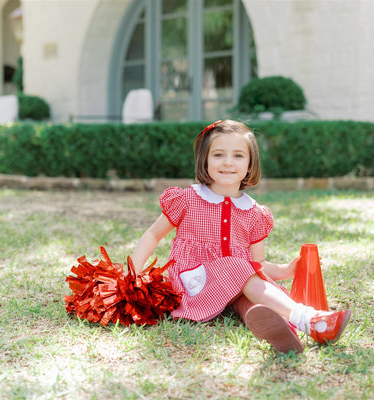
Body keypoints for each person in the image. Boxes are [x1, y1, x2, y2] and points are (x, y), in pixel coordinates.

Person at [131, 120, 352, 353]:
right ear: (204, 159)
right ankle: (309, 318)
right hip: (194, 284)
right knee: (238, 266)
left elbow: (258, 265)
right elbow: (153, 234)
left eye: (238, 156)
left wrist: (286, 270)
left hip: (235, 286)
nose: (227, 162)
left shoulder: (254, 213)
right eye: (218, 155)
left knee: (254, 302)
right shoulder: (188, 199)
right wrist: (132, 273)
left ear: (250, 164)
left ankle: (285, 331)